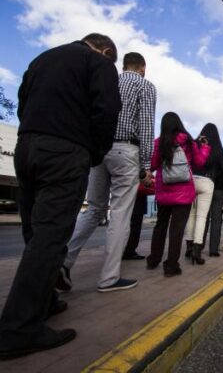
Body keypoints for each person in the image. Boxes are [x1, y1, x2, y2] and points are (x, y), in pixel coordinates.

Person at [0, 33, 121, 360]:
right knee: (51, 235)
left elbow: (22, 102)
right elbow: (107, 111)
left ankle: (45, 299)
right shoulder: (99, 63)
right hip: (66, 150)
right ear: (106, 50)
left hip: (27, 147)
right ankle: (18, 330)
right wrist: (94, 152)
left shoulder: (43, 58)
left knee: (35, 232)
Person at [56, 52, 156, 293]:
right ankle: (109, 278)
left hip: (98, 150)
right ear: (142, 68)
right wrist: (144, 166)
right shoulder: (145, 85)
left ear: (123, 66)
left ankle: (62, 263)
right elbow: (145, 125)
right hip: (125, 150)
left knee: (94, 209)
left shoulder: (108, 80)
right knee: (120, 214)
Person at [147, 112, 210, 276]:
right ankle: (171, 266)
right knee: (176, 230)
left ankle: (153, 260)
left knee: (160, 226)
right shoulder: (188, 141)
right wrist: (204, 147)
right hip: (183, 193)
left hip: (163, 191)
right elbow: (199, 162)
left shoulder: (159, 143)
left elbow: (152, 165)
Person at [186, 123, 223, 262]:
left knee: (192, 216)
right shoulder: (218, 150)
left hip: (192, 182)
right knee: (211, 219)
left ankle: (190, 247)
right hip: (210, 184)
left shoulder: (196, 145)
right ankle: (211, 250)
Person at [122, 175, 155, 260]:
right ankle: (129, 250)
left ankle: (124, 249)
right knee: (135, 225)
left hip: (125, 192)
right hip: (137, 195)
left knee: (126, 224)